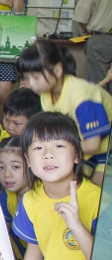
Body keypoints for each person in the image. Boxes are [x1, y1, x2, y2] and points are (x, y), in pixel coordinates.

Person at [12, 112, 100, 260]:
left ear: (77, 154)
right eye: (38, 148)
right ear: (28, 160)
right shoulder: (31, 200)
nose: (48, 154)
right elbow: (35, 247)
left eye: (59, 146)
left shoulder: (97, 201)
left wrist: (77, 226)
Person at [17, 39, 112, 186]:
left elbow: (93, 144)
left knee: (96, 194)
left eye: (35, 77)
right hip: (82, 149)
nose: (30, 84)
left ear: (57, 70)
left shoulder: (81, 95)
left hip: (105, 149)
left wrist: (58, 153)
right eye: (27, 78)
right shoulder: (45, 95)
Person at [73, 0, 112, 93]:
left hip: (100, 40)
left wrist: (86, 28)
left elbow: (81, 16)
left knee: (98, 86)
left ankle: (100, 115)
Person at [0, 136, 28, 260]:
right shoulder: (7, 194)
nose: (7, 174)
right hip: (24, 255)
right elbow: (2, 230)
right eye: (1, 167)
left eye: (15, 167)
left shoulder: (41, 196)